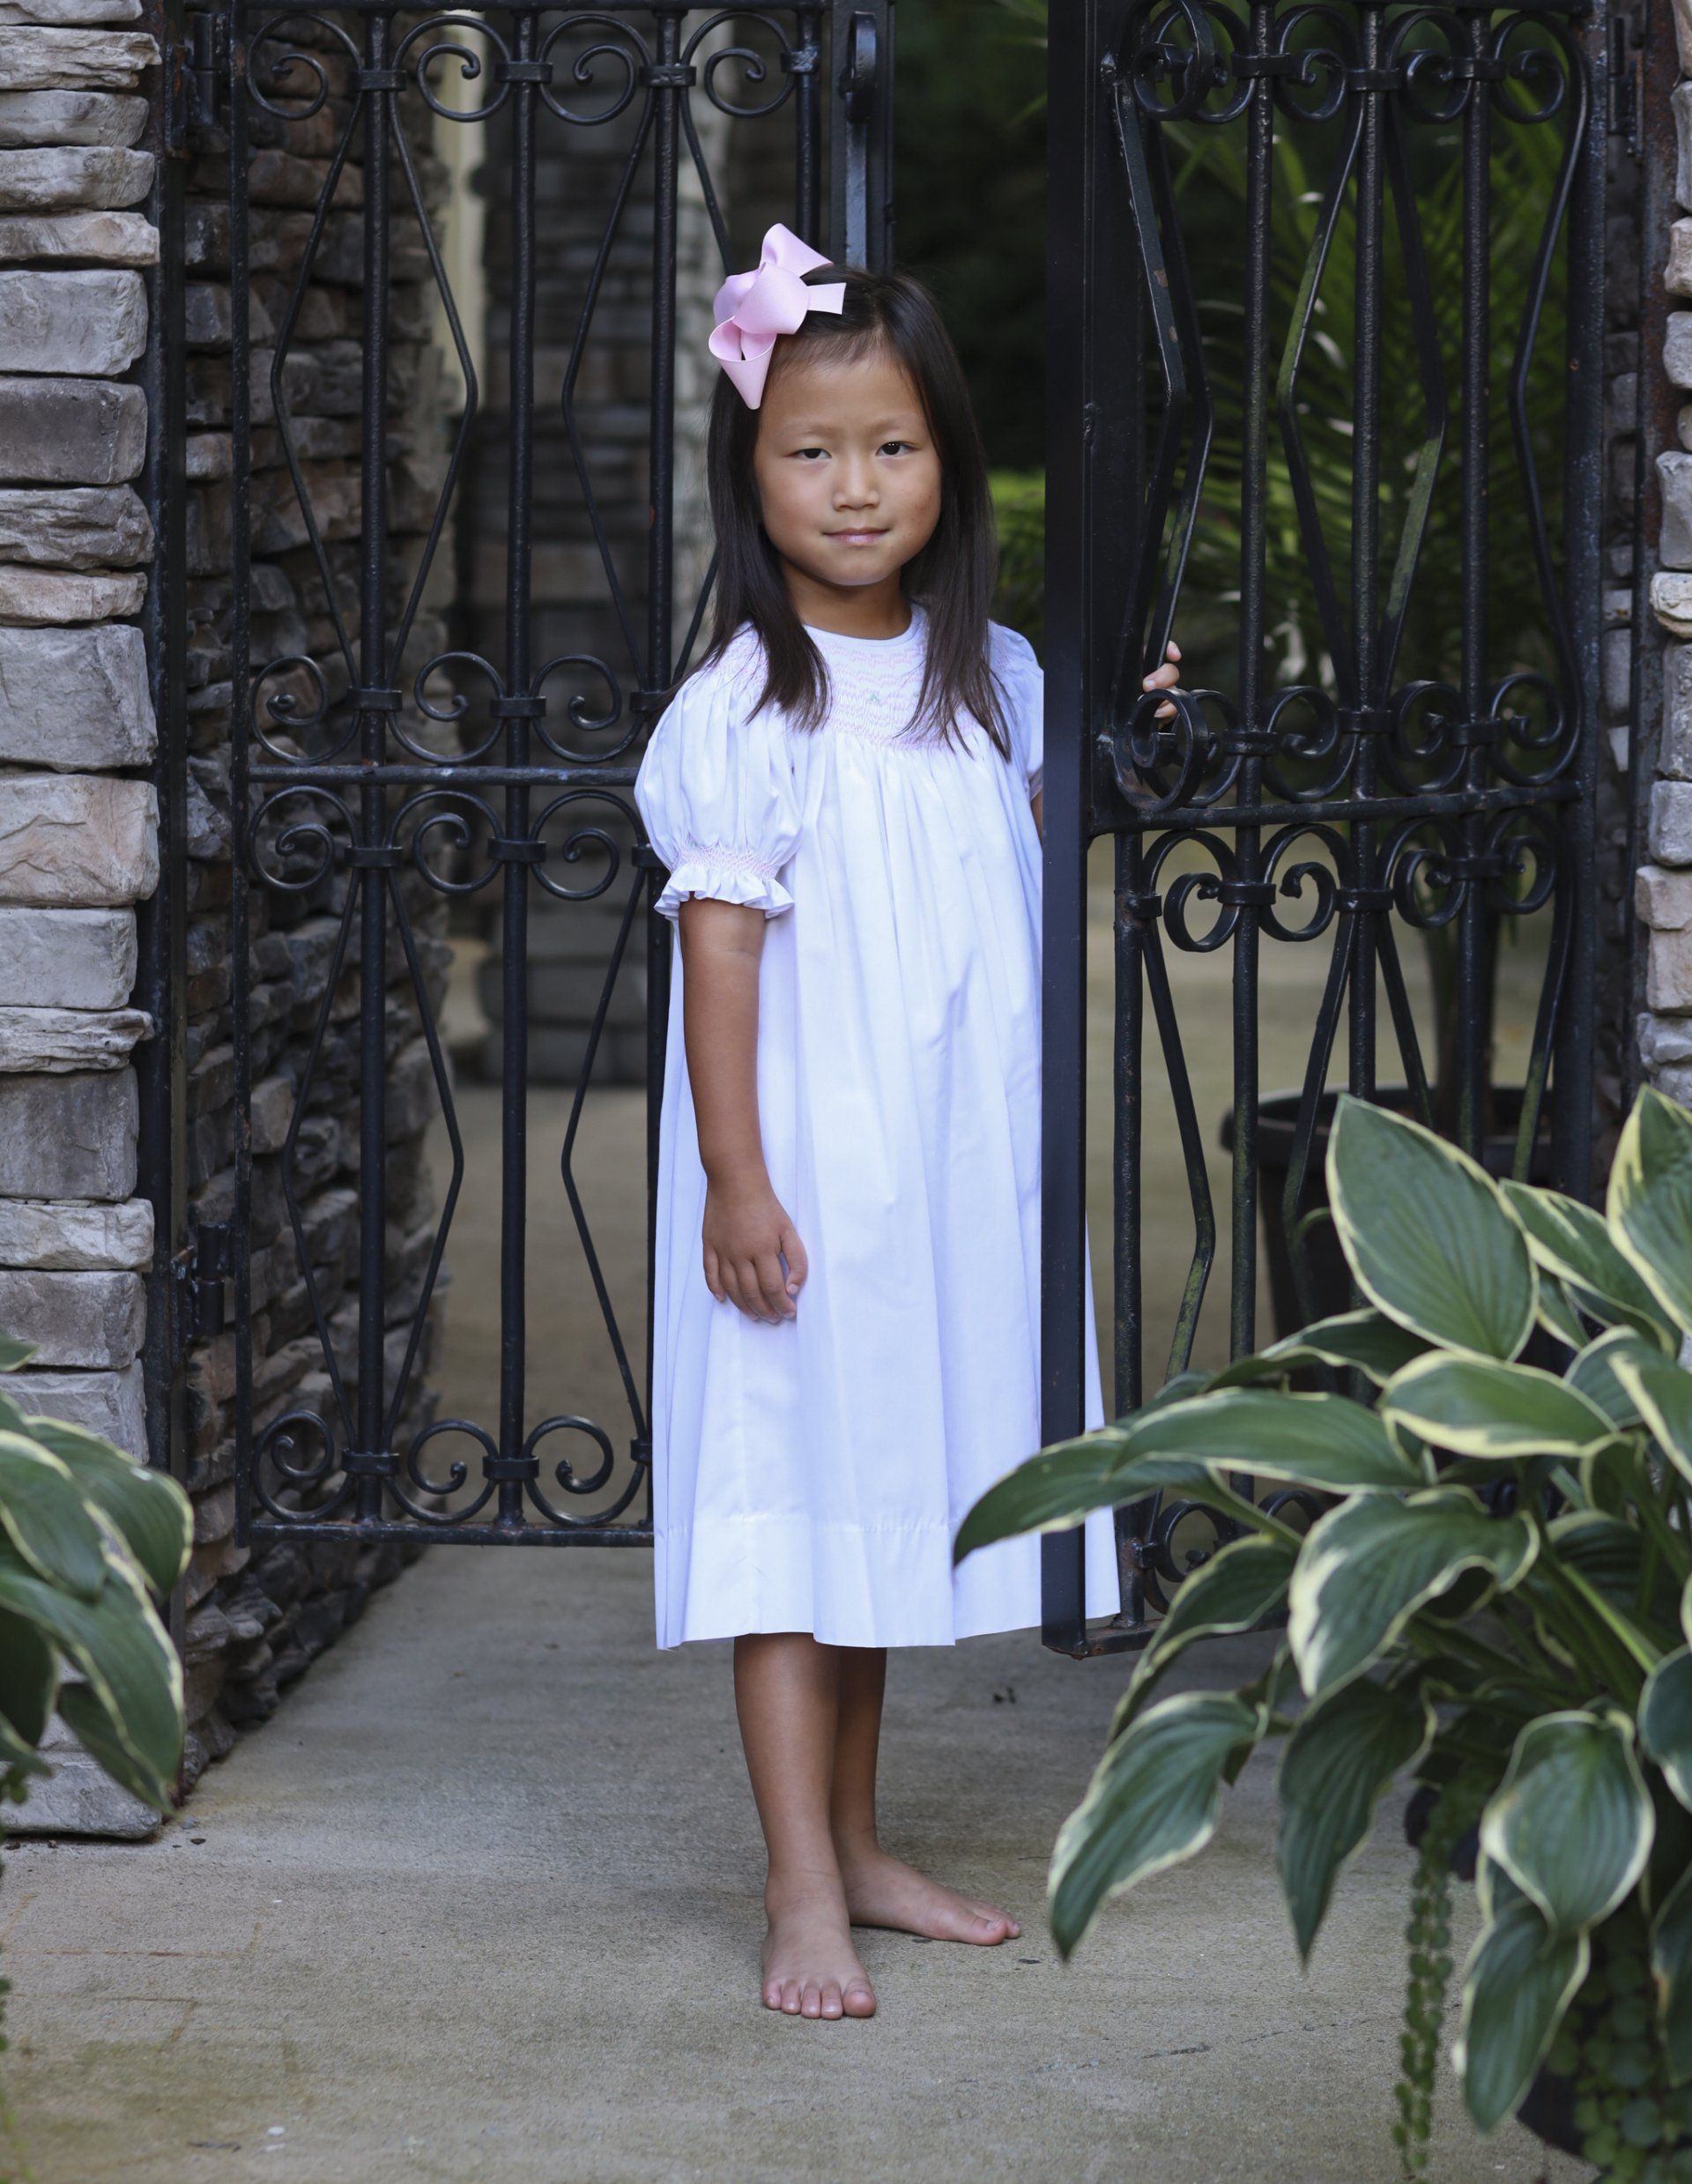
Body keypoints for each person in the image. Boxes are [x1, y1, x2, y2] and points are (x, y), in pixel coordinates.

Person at [633, 225, 1182, 2023]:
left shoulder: (989, 681)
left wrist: (1125, 732)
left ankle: (865, 1849)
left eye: (891, 447)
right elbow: (720, 960)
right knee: (794, 1520)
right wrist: (733, 1177)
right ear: (749, 471)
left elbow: (1022, 843)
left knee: (874, 1502)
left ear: (949, 462)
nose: (854, 486)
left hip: (936, 1168)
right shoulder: (744, 708)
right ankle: (799, 1883)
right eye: (809, 450)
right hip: (797, 1166)